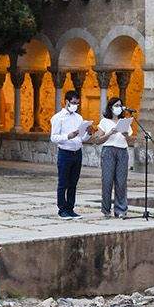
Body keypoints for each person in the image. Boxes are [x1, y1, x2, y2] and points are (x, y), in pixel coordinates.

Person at [49, 91, 90, 219]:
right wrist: (68, 136)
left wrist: (88, 134)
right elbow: (53, 137)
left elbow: (81, 138)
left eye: (77, 103)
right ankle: (62, 210)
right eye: (73, 103)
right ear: (66, 101)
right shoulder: (58, 117)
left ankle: (70, 208)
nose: (75, 105)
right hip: (65, 153)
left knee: (73, 183)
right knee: (63, 182)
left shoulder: (79, 118)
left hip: (77, 152)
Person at [97, 97, 133, 219]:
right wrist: (109, 133)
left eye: (120, 106)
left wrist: (126, 135)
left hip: (122, 150)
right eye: (116, 105)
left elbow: (130, 141)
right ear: (111, 107)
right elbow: (98, 140)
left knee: (121, 182)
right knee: (107, 181)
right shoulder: (104, 122)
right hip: (109, 151)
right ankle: (106, 209)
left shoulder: (124, 122)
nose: (119, 108)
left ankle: (120, 209)